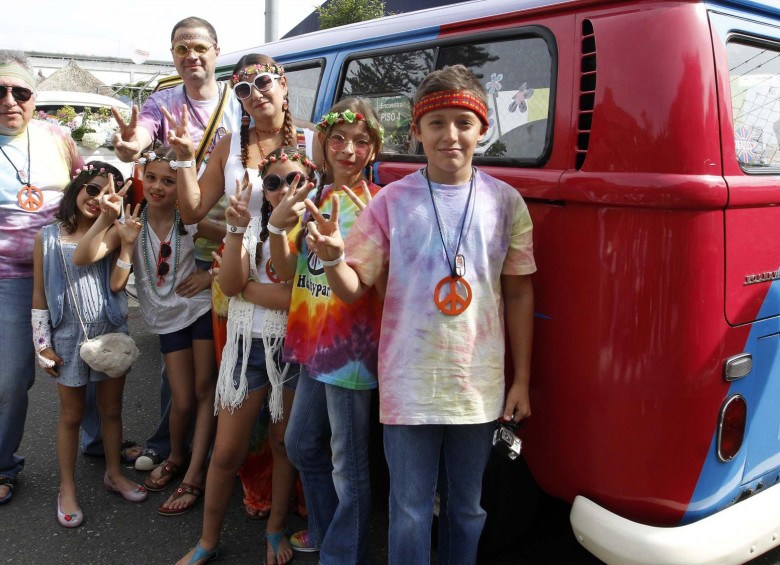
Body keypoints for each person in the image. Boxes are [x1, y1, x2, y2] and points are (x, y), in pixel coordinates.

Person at [304, 65, 536, 565]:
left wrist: (522, 381)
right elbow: (351, 290)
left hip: (478, 385)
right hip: (408, 383)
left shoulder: (506, 203)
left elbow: (518, 294)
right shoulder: (390, 202)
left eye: (462, 122)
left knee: (467, 509)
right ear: (416, 130)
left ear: (483, 130)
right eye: (436, 123)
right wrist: (331, 257)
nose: (449, 135)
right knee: (409, 509)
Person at [166, 53, 315, 521]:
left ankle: (294, 498)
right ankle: (259, 491)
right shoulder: (230, 145)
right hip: (236, 283)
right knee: (245, 399)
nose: (256, 94)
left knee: (287, 410)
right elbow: (191, 212)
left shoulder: (314, 139)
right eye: (244, 90)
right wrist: (185, 159)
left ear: (284, 84)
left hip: (294, 285)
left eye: (264, 82)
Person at [111, 16, 242, 472]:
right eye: (182, 48)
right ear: (173, 55)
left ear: (216, 50)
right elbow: (144, 130)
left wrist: (221, 266)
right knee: (180, 370)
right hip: (187, 242)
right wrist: (133, 145)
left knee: (229, 361)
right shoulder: (163, 101)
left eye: (199, 47)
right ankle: (174, 448)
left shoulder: (238, 104)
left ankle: (220, 454)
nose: (192, 55)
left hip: (233, 242)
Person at [178, 146, 316, 565]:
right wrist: (237, 231)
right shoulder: (252, 225)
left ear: (309, 181)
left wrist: (246, 289)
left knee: (282, 444)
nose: (282, 190)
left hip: (290, 352)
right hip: (244, 349)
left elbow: (293, 297)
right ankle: (207, 540)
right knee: (226, 453)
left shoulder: (314, 230)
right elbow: (232, 280)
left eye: (293, 179)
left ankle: (275, 528)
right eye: (272, 182)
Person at [266, 98, 384, 563]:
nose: (348, 150)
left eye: (360, 142)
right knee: (298, 444)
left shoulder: (378, 205)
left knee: (348, 465)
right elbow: (290, 269)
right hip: (314, 345)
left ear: (373, 150)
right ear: (323, 143)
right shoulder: (314, 199)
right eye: (338, 139)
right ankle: (326, 529)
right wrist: (277, 229)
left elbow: (365, 288)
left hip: (350, 353)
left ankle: (343, 553)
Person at [74, 148, 219, 517]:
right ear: (142, 177)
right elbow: (85, 256)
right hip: (166, 320)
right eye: (151, 178)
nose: (157, 187)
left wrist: (211, 275)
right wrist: (116, 232)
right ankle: (175, 453)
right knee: (182, 399)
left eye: (169, 181)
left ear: (182, 186)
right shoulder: (129, 221)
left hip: (199, 310)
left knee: (205, 392)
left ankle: (194, 469)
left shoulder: (189, 220)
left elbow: (242, 238)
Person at [31, 164, 147, 527]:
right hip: (66, 334)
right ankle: (67, 487)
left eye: (109, 194)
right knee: (71, 415)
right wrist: (41, 344)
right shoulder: (47, 237)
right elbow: (39, 295)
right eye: (92, 190)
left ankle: (114, 472)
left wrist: (126, 243)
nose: (98, 200)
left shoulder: (113, 233)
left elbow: (115, 285)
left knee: (111, 411)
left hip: (110, 330)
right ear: (76, 189)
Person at [0, 49, 83, 506]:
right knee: (12, 377)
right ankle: (3, 464)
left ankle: (95, 442)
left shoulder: (56, 136)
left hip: (65, 270)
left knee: (83, 354)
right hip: (8, 279)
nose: (10, 100)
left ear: (35, 97)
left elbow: (83, 186)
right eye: (0, 91)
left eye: (20, 91)